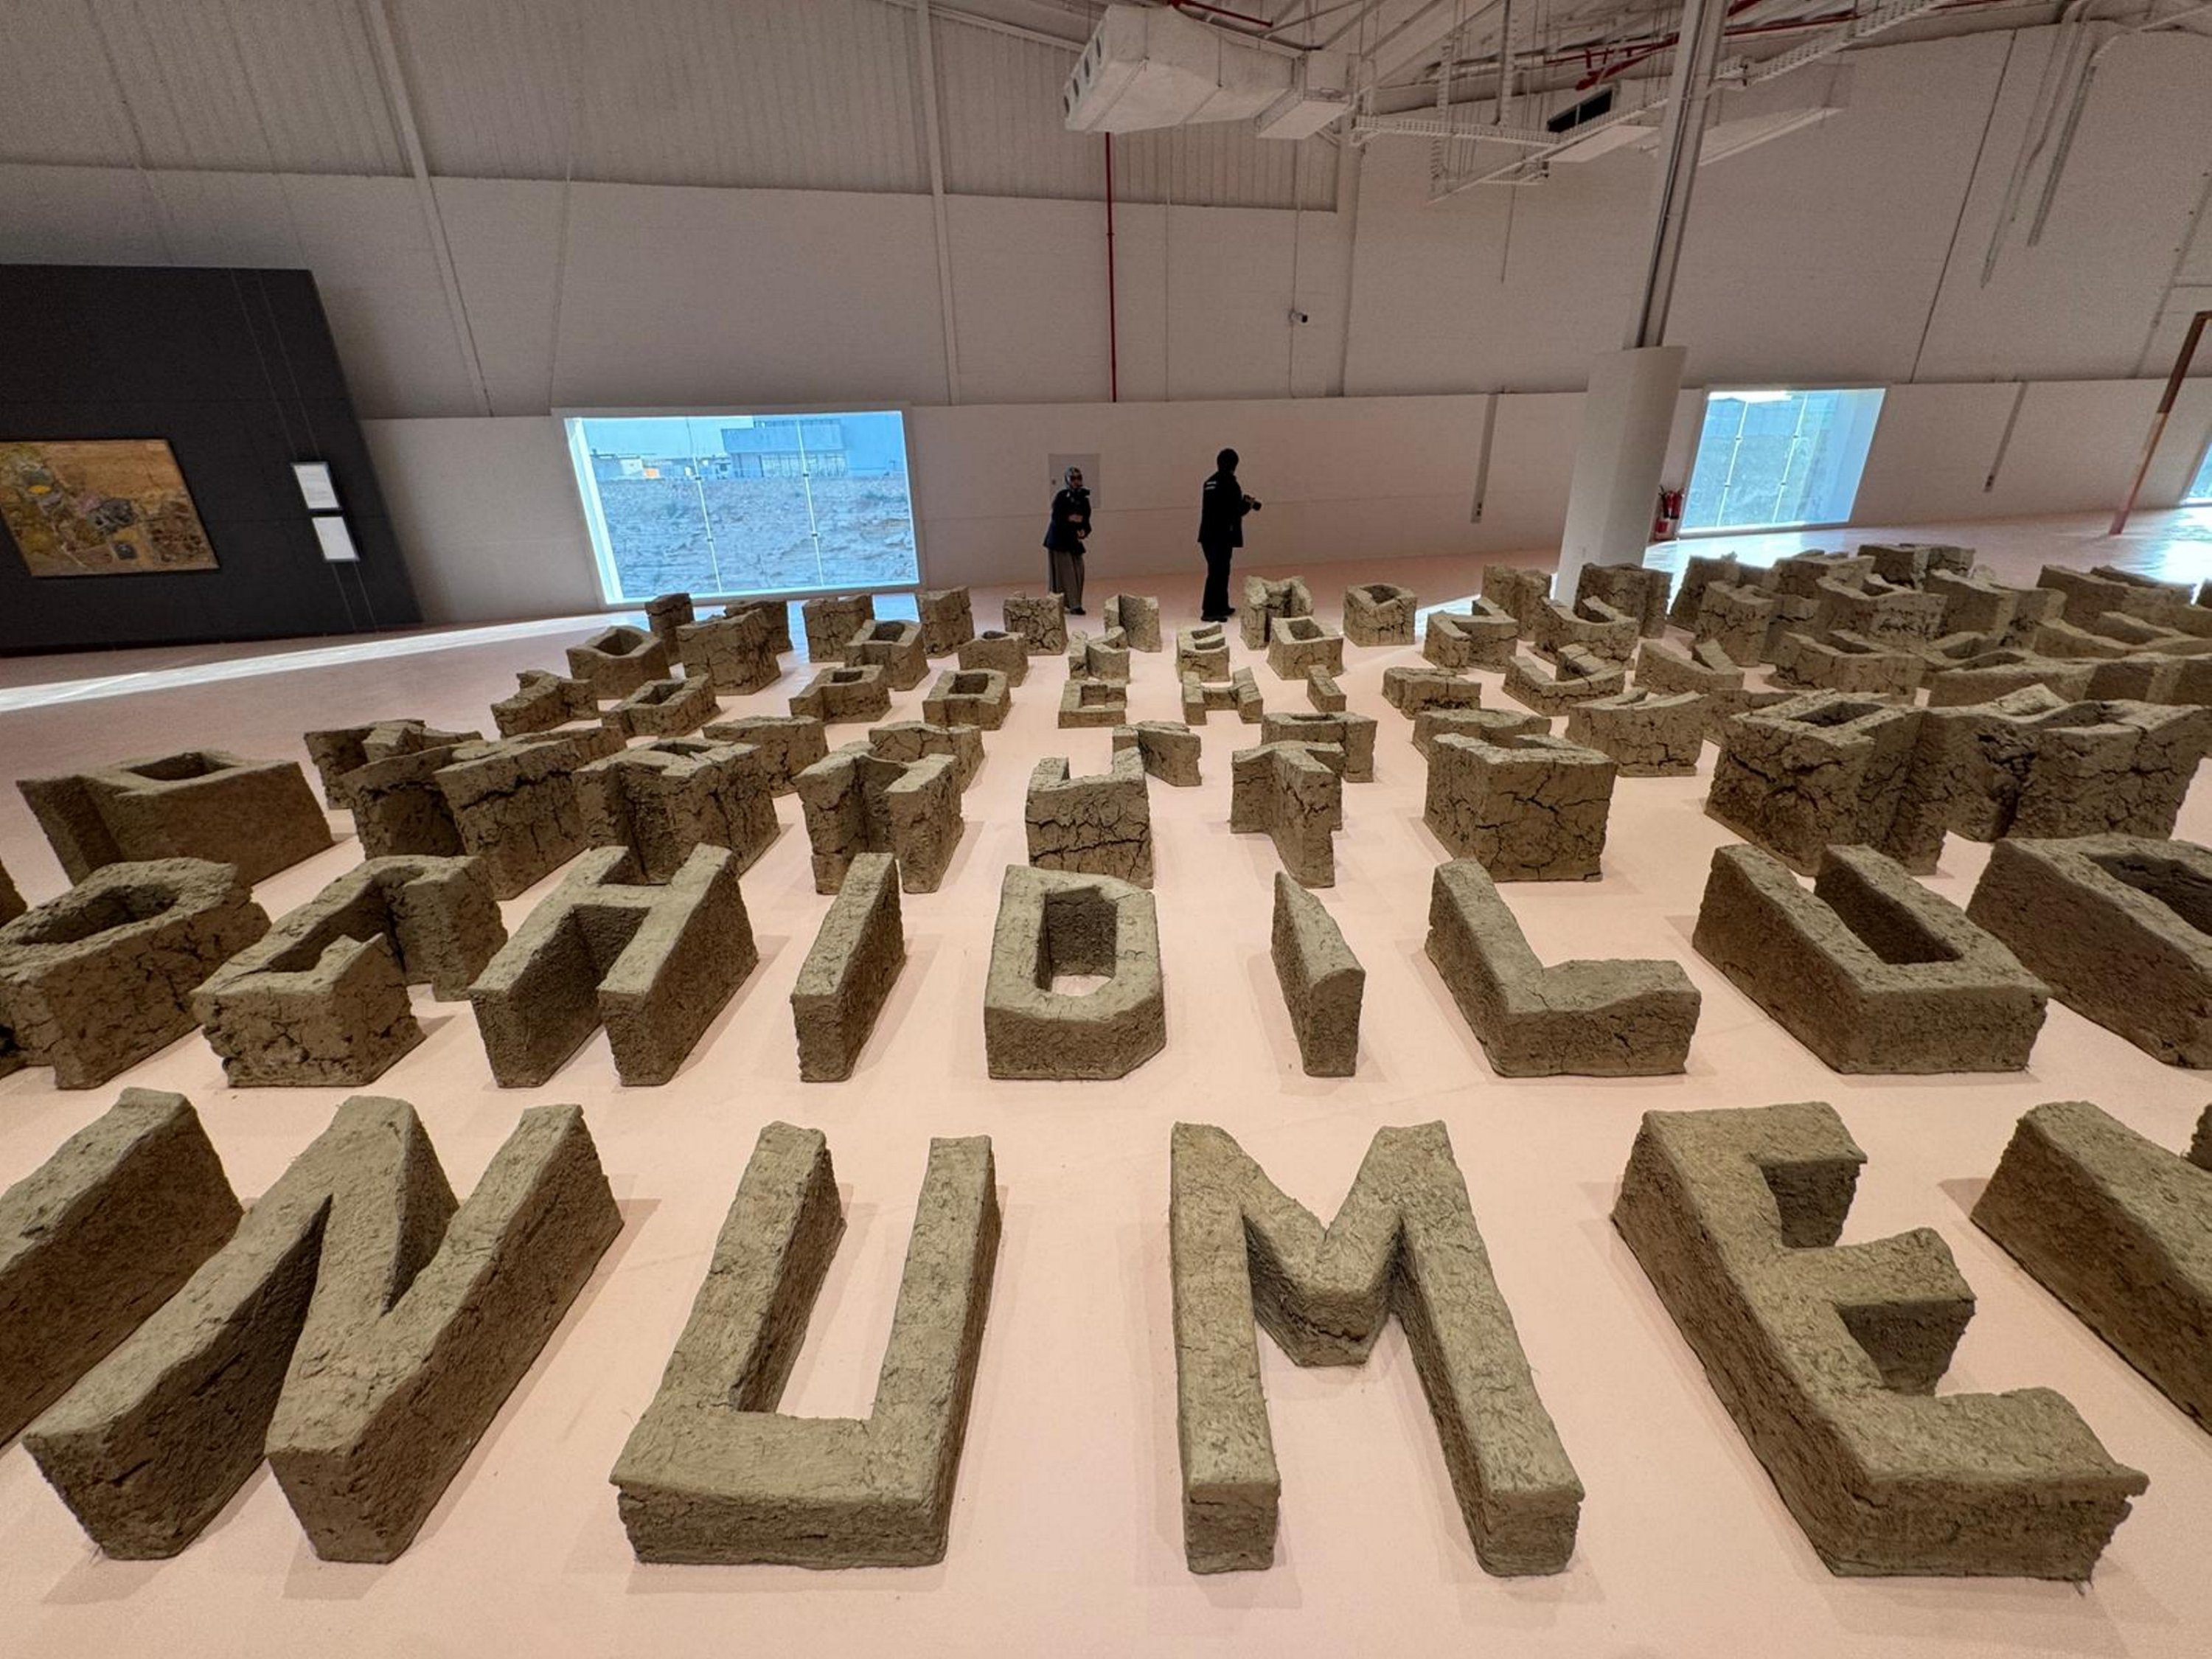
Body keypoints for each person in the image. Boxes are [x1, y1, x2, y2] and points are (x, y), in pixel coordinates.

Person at [1197, 448, 1259, 623]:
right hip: (1222, 535)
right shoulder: (1230, 483)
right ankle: (1209, 610)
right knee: (1218, 572)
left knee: (1219, 570)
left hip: (1208, 535)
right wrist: (1247, 505)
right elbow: (1234, 511)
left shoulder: (1209, 482)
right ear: (1234, 465)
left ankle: (1221, 606)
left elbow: (1217, 508)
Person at [1043, 464, 1091, 615]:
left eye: (1079, 478)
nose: (1076, 481)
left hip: (1073, 541)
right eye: (1073, 478)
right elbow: (1057, 518)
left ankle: (1073, 602)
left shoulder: (1083, 499)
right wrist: (1070, 519)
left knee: (1079, 571)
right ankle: (1072, 605)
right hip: (1059, 541)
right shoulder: (1062, 497)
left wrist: (1083, 531)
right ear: (1068, 480)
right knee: (1066, 573)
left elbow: (1086, 521)